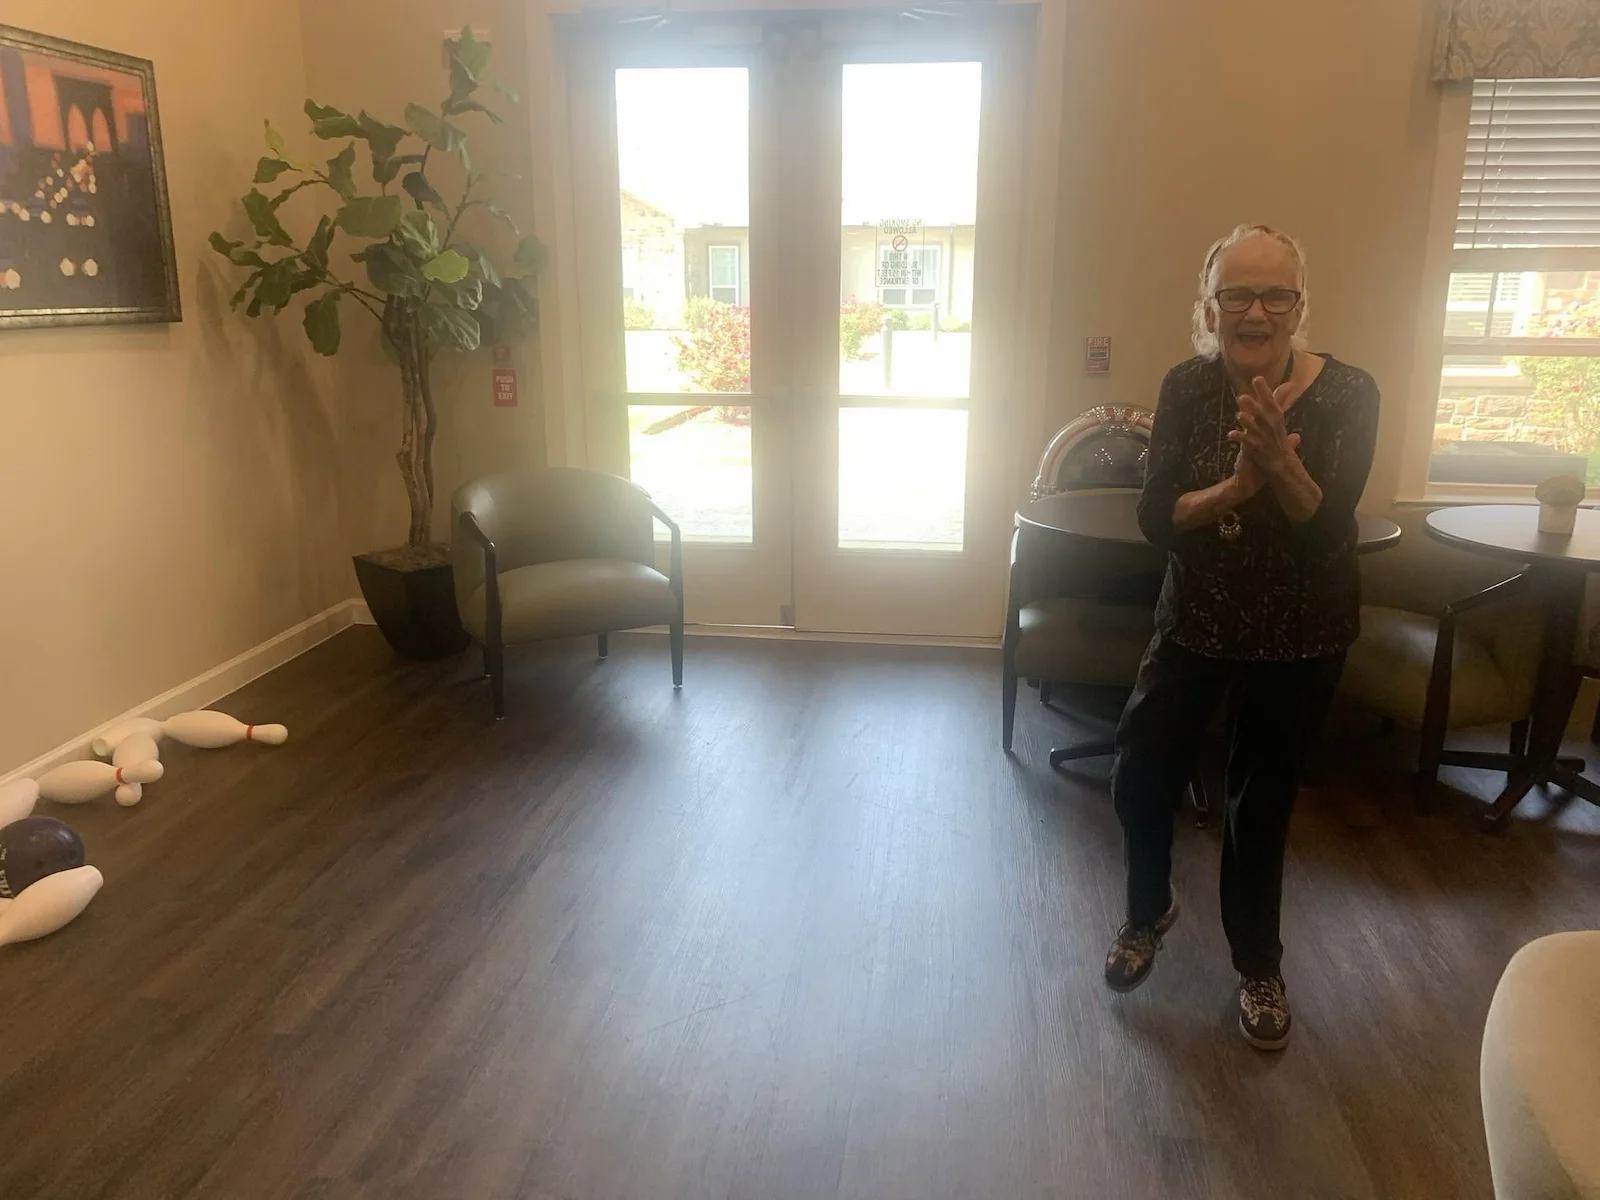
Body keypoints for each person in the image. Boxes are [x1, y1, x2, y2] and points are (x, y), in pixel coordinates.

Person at [1103, 224, 1380, 1051]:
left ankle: (1259, 965)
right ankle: (1148, 910)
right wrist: (1234, 485)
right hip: (1196, 620)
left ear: (1300, 305)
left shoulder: (1351, 393)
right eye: (1236, 294)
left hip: (1302, 633)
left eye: (1275, 294)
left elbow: (1329, 530)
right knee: (1138, 773)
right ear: (1210, 304)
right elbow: (1158, 517)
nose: (1255, 312)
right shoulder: (1187, 387)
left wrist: (1281, 467)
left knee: (1260, 808)